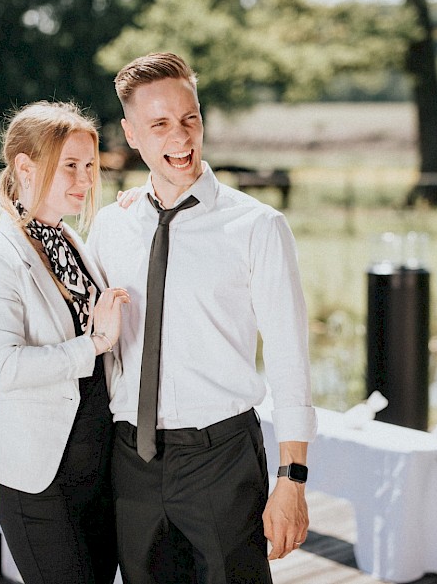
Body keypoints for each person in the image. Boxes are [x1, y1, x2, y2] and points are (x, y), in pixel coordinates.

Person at [87, 53, 317, 584]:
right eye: (160, 124)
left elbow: (289, 356)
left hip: (223, 461)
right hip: (131, 461)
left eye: (190, 118)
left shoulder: (258, 226)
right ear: (130, 133)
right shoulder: (110, 227)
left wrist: (293, 477)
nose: (181, 138)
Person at [0, 101, 129, 584]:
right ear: (25, 167)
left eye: (91, 166)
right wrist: (93, 344)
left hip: (97, 475)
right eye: (70, 165)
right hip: (40, 486)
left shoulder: (73, 242)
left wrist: (135, 212)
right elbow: (4, 368)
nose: (85, 179)